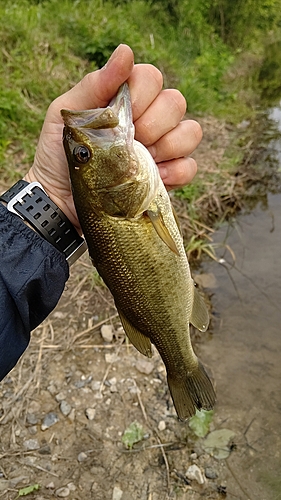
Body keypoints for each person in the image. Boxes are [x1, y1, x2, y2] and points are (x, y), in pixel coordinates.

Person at [0, 44, 202, 381]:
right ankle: (182, 367)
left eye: (81, 156)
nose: (84, 145)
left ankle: (181, 365)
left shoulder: (131, 200)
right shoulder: (132, 202)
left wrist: (48, 200)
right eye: (83, 156)